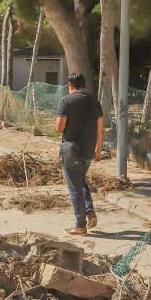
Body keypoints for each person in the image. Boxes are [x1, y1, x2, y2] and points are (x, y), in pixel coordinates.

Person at [55, 73, 104, 235]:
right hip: (88, 150)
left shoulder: (66, 101)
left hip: (71, 151)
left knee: (74, 187)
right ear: (84, 85)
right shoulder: (94, 102)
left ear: (70, 85)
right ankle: (89, 211)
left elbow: (59, 127)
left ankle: (80, 225)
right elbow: (100, 128)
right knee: (81, 180)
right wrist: (98, 150)